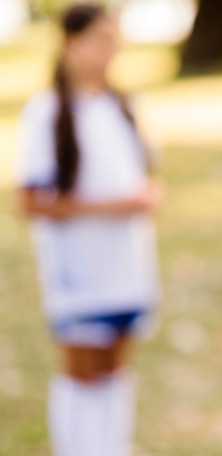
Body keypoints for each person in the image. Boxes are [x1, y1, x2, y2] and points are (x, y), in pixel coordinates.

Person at [16, 5, 160, 455]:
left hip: (127, 266)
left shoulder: (123, 104)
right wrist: (116, 206)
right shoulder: (48, 112)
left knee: (116, 374)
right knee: (82, 376)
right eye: (99, 40)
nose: (107, 52)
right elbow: (32, 200)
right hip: (79, 271)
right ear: (71, 44)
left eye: (112, 41)